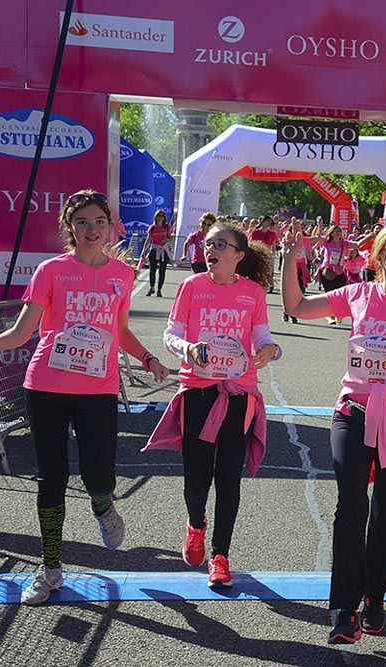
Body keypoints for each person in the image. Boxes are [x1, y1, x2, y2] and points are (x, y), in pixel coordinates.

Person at [0, 190, 169, 605]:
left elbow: (122, 329)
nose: (91, 230)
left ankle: (103, 507)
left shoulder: (122, 276)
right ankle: (51, 566)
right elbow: (23, 333)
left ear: (110, 226)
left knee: (98, 475)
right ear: (69, 228)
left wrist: (147, 358)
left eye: (98, 222)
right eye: (82, 223)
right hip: (46, 387)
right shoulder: (51, 271)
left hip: (97, 391)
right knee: (50, 478)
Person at [281, 220, 386, 645]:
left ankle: (375, 596)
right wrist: (290, 256)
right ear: (378, 255)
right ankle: (344, 609)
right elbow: (297, 306)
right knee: (350, 507)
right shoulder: (356, 294)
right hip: (352, 414)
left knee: (384, 512)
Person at [145, 222, 279, 588]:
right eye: (209, 244)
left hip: (238, 392)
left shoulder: (252, 292)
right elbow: (171, 333)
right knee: (197, 472)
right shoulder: (191, 287)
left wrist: (270, 349)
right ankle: (196, 524)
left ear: (239, 254)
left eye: (221, 244)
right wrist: (187, 349)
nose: (212, 249)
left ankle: (220, 556)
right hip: (198, 390)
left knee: (228, 476)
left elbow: (263, 336)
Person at [142, 209, 172, 297]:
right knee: (152, 270)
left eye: (162, 216)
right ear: (156, 217)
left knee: (162, 271)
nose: (160, 218)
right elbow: (148, 239)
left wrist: (167, 239)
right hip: (154, 250)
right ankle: (151, 287)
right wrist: (144, 251)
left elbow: (170, 237)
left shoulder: (167, 227)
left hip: (163, 250)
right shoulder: (153, 227)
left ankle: (159, 289)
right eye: (159, 216)